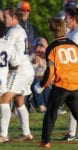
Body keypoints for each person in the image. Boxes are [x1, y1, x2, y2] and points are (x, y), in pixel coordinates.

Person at [34, 17, 78, 149]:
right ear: (64, 29)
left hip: (61, 86)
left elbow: (50, 72)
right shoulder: (74, 45)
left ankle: (45, 141)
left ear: (52, 31)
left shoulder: (52, 47)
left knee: (50, 114)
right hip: (76, 84)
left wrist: (41, 85)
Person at [0, 7, 34, 143]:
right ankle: (27, 133)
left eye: (6, 17)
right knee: (19, 101)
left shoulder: (13, 31)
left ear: (14, 17)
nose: (4, 19)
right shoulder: (19, 29)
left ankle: (4, 135)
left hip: (20, 70)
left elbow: (4, 49)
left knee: (4, 99)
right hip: (27, 68)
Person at [61, 7, 78, 141]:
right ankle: (71, 133)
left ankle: (72, 133)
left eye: (67, 18)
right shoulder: (71, 33)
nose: (65, 20)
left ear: (73, 19)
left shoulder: (76, 34)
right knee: (72, 102)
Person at [30, 37, 49, 113]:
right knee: (37, 81)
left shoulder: (50, 58)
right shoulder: (32, 57)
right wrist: (34, 63)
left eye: (42, 47)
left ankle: (50, 106)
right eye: (38, 47)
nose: (40, 49)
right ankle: (42, 106)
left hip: (47, 82)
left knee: (44, 81)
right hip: (34, 82)